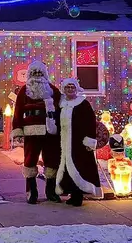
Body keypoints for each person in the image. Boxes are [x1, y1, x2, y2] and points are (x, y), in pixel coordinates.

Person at [10, 60, 62, 204]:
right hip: (31, 131)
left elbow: (60, 108)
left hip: (50, 131)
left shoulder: (53, 90)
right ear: (29, 75)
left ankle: (51, 191)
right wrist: (18, 130)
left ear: (44, 75)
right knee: (30, 160)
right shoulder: (24, 91)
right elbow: (18, 112)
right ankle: (31, 192)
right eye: (34, 73)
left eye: (40, 73)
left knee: (52, 159)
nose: (37, 76)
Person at [56, 78, 100, 206]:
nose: (70, 89)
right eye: (67, 87)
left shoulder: (83, 103)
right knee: (66, 168)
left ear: (76, 89)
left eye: (72, 87)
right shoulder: (61, 104)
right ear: (64, 89)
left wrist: (89, 140)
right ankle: (71, 193)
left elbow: (91, 123)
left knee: (79, 167)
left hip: (79, 142)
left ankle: (78, 195)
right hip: (64, 142)